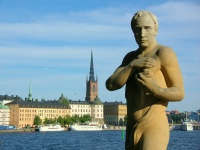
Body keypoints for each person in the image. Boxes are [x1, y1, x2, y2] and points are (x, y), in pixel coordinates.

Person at [106, 10, 184, 150]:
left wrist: (154, 88)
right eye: (137, 29)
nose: (142, 34)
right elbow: (111, 84)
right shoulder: (130, 58)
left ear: (156, 29)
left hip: (154, 122)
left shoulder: (163, 53)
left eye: (147, 28)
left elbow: (179, 92)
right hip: (132, 124)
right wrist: (132, 66)